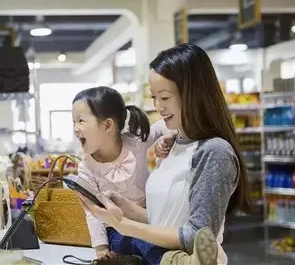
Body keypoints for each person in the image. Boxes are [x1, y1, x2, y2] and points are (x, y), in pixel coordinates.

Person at [77, 43, 251, 265]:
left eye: (165, 97)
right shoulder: (172, 144)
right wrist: (127, 209)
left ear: (192, 94)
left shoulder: (214, 152)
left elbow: (195, 236)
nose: (158, 106)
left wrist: (125, 226)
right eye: (154, 97)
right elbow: (165, 222)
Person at [72, 86, 177, 260]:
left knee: (160, 237)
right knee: (141, 241)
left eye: (81, 121)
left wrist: (169, 135)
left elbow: (161, 126)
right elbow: (93, 212)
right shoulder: (86, 168)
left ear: (107, 125)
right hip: (116, 229)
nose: (75, 128)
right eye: (73, 122)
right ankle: (176, 262)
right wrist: (101, 249)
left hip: (149, 218)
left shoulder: (135, 142)